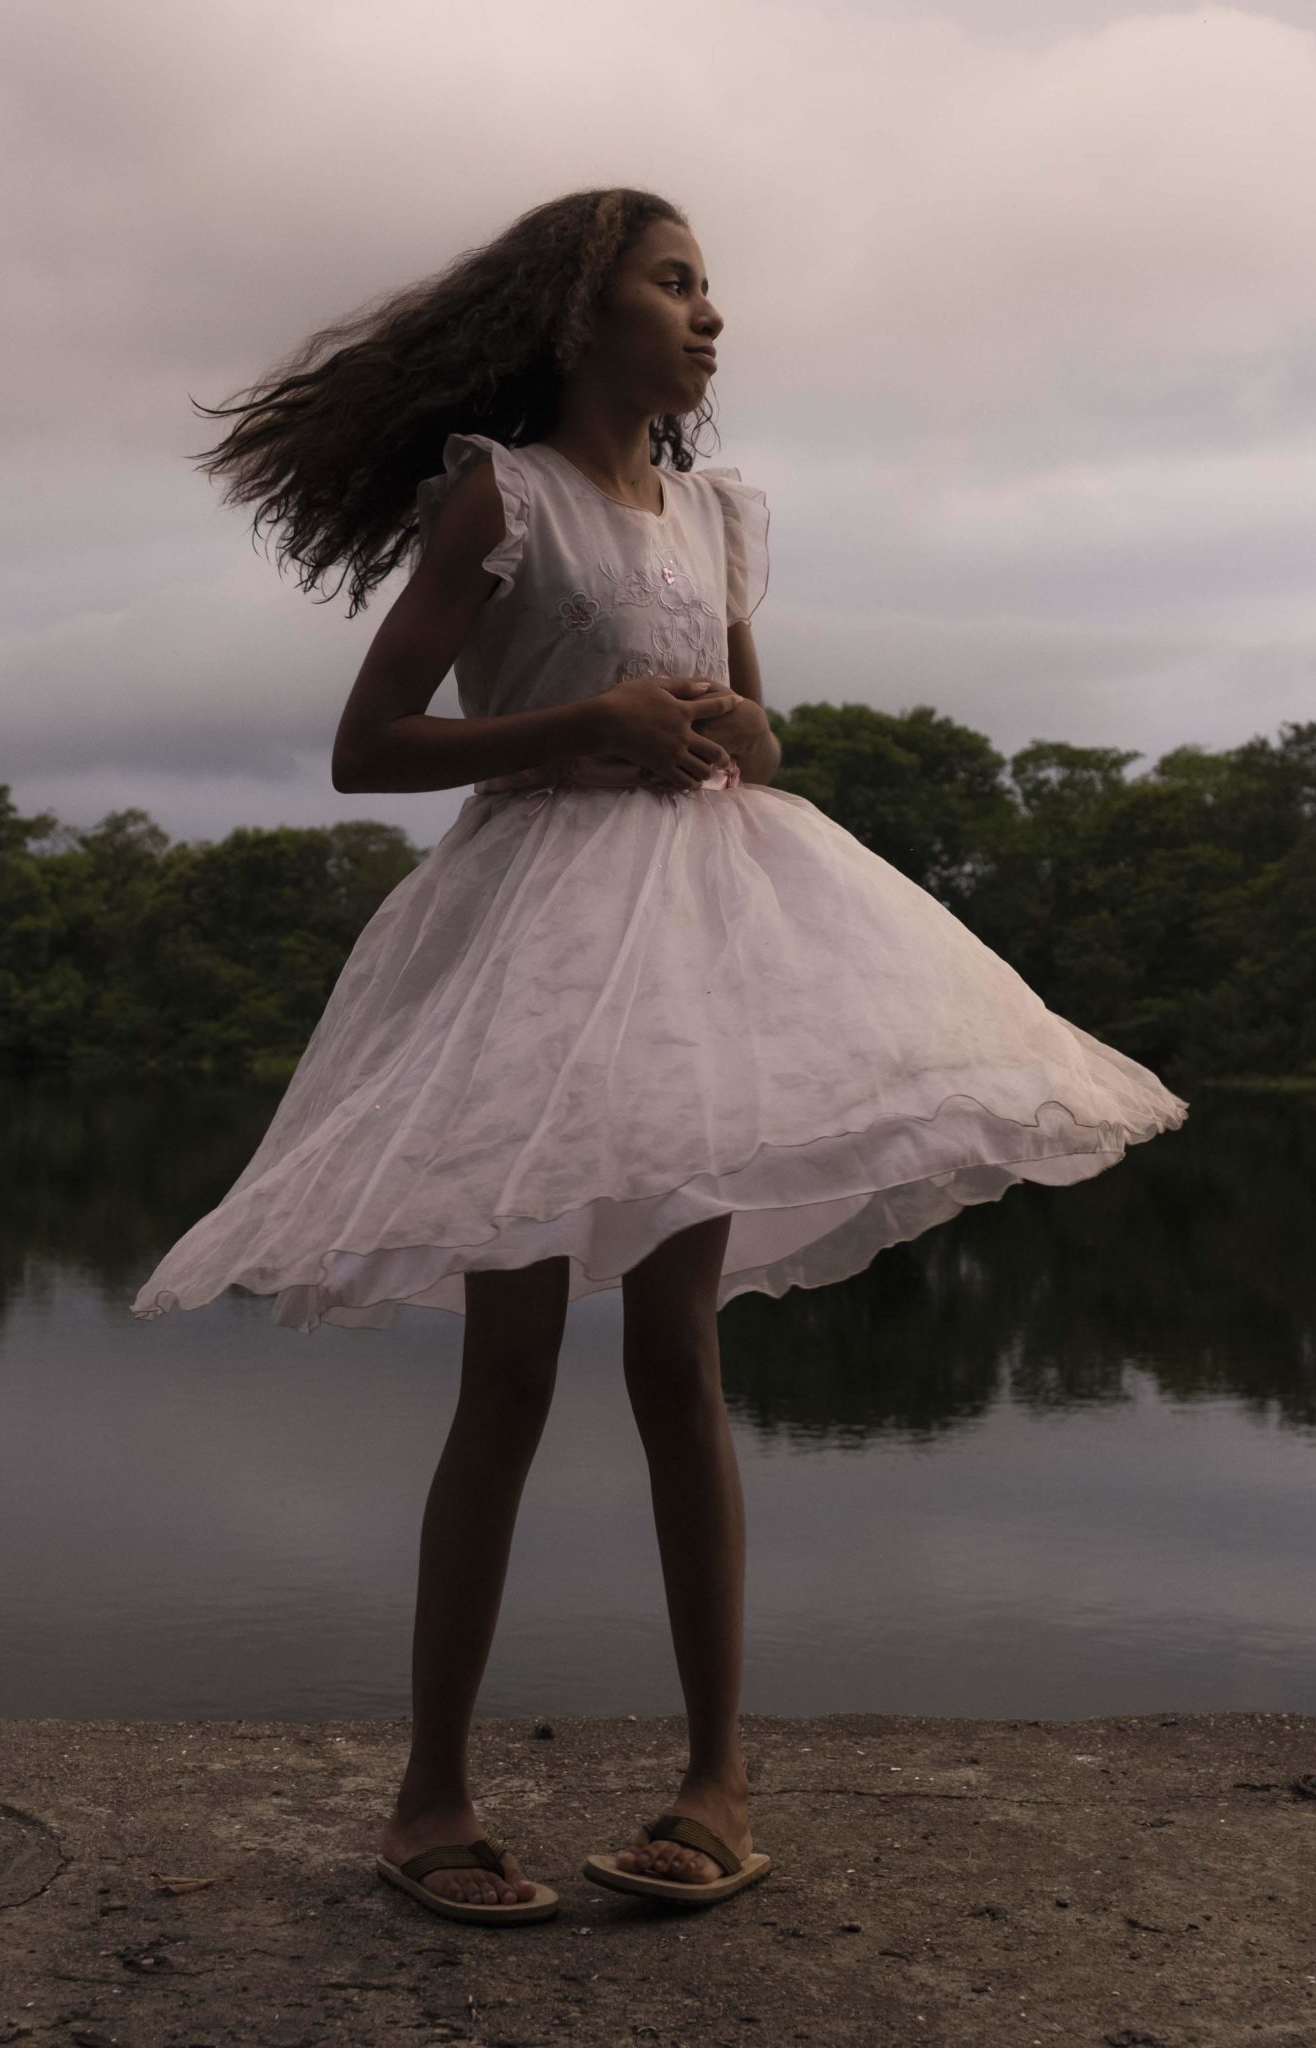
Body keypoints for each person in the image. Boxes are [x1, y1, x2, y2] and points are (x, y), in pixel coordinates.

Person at [136, 187, 1189, 1925]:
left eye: (714, 290)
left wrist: (743, 730)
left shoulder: (716, 514)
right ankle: (430, 1800)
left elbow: (750, 722)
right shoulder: (504, 495)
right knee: (511, 1377)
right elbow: (370, 745)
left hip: (704, 953)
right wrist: (582, 727)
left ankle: (718, 1782)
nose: (710, 317)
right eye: (677, 284)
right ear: (580, 313)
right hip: (539, 959)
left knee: (680, 1354)